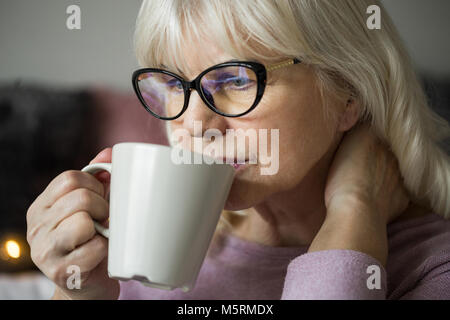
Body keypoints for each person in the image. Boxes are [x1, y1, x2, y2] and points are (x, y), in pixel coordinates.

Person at [27, 0, 450, 300]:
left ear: (348, 92)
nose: (193, 125)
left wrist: (353, 211)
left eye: (235, 81)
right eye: (174, 85)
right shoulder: (154, 243)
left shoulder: (433, 267)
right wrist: (80, 294)